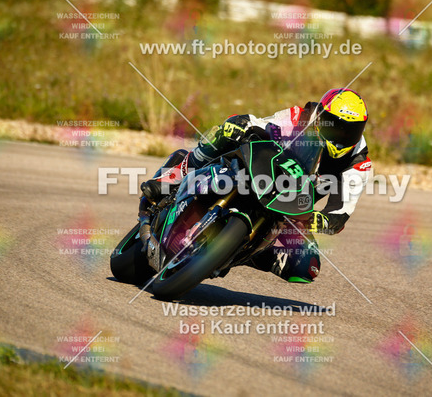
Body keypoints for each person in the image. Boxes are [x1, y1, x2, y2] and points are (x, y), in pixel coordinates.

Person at [138, 88, 371, 283]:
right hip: (261, 173)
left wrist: (318, 220)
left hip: (292, 207)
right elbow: (262, 124)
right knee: (228, 131)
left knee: (306, 267)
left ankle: (237, 251)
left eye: (350, 131)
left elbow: (340, 214)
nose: (341, 135)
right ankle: (173, 177)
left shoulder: (359, 164)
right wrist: (242, 126)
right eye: (335, 126)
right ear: (320, 116)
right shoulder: (300, 117)